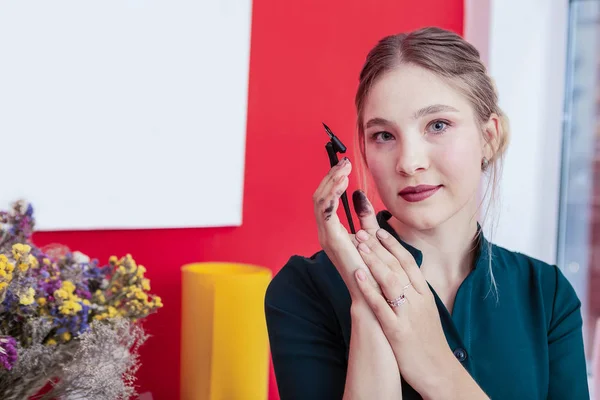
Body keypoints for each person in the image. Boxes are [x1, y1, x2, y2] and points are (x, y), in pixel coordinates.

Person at [264, 26, 589, 400]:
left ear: (489, 136)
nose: (408, 162)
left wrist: (435, 365)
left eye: (438, 125)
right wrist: (368, 303)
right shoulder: (305, 291)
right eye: (384, 135)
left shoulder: (547, 296)